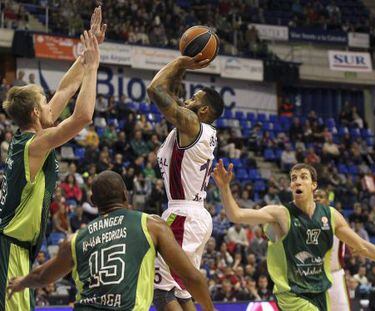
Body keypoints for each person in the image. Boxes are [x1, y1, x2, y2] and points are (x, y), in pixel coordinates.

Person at [0, 7, 106, 310]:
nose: (51, 105)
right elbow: (83, 116)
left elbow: (65, 89)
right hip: (10, 248)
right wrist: (93, 68)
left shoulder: (32, 138)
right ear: (35, 113)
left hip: (18, 248)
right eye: (45, 104)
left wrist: (88, 52)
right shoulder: (36, 144)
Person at [213, 161, 375, 311]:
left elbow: (363, 246)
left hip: (320, 292)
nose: (297, 181)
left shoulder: (331, 215)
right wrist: (224, 187)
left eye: (303, 177)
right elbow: (236, 215)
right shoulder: (281, 214)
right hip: (291, 294)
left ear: (314, 185)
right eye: (293, 178)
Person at [7, 171, 214, 311]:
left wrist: (20, 283)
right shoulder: (151, 225)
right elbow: (191, 278)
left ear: (93, 201)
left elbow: (43, 276)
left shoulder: (74, 239)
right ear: (126, 195)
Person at [147, 54, 224, 310]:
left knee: (159, 290)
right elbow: (170, 91)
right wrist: (183, 68)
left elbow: (156, 89)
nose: (186, 100)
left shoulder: (191, 125)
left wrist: (181, 61)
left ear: (203, 111)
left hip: (183, 216)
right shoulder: (197, 129)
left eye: (194, 99)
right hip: (194, 215)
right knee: (180, 292)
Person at [315, 189, 350, 311]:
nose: (317, 198)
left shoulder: (337, 219)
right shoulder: (304, 220)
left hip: (335, 274)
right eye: (315, 196)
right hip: (315, 276)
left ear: (328, 201)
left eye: (321, 196)